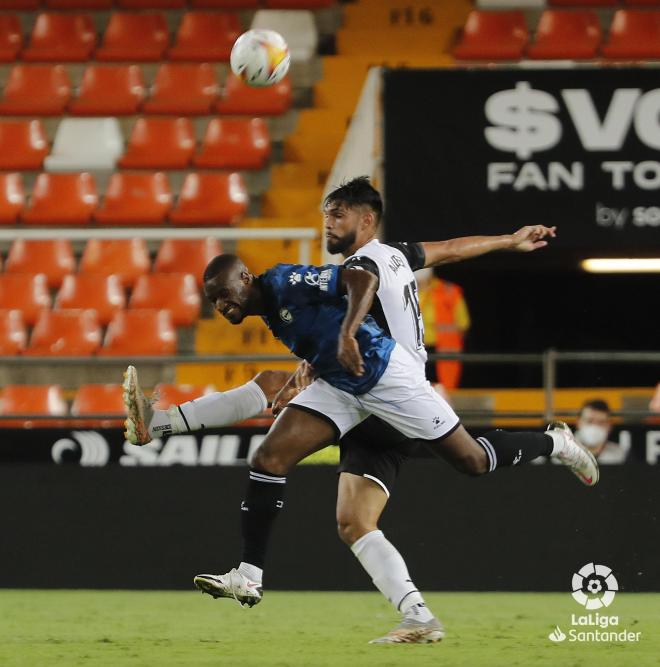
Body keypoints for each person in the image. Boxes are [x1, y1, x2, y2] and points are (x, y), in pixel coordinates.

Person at [123, 178, 599, 644]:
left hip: (392, 382)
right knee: (326, 499)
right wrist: (508, 240)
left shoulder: (360, 264)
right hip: (352, 387)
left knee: (471, 461)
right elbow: (452, 248)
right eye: (326, 214)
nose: (327, 222)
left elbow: (360, 287)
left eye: (337, 214)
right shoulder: (395, 255)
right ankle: (406, 614)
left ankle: (556, 441)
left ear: (366, 219)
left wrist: (340, 341)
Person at [416, 267, 470, 388]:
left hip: (442, 349)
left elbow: (463, 324)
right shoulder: (404, 290)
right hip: (415, 349)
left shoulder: (449, 291)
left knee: (443, 388)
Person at [575, 399, 629, 464]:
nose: (595, 426)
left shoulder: (621, 456)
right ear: (578, 423)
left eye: (601, 422)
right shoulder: (562, 454)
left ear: (609, 426)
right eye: (589, 421)